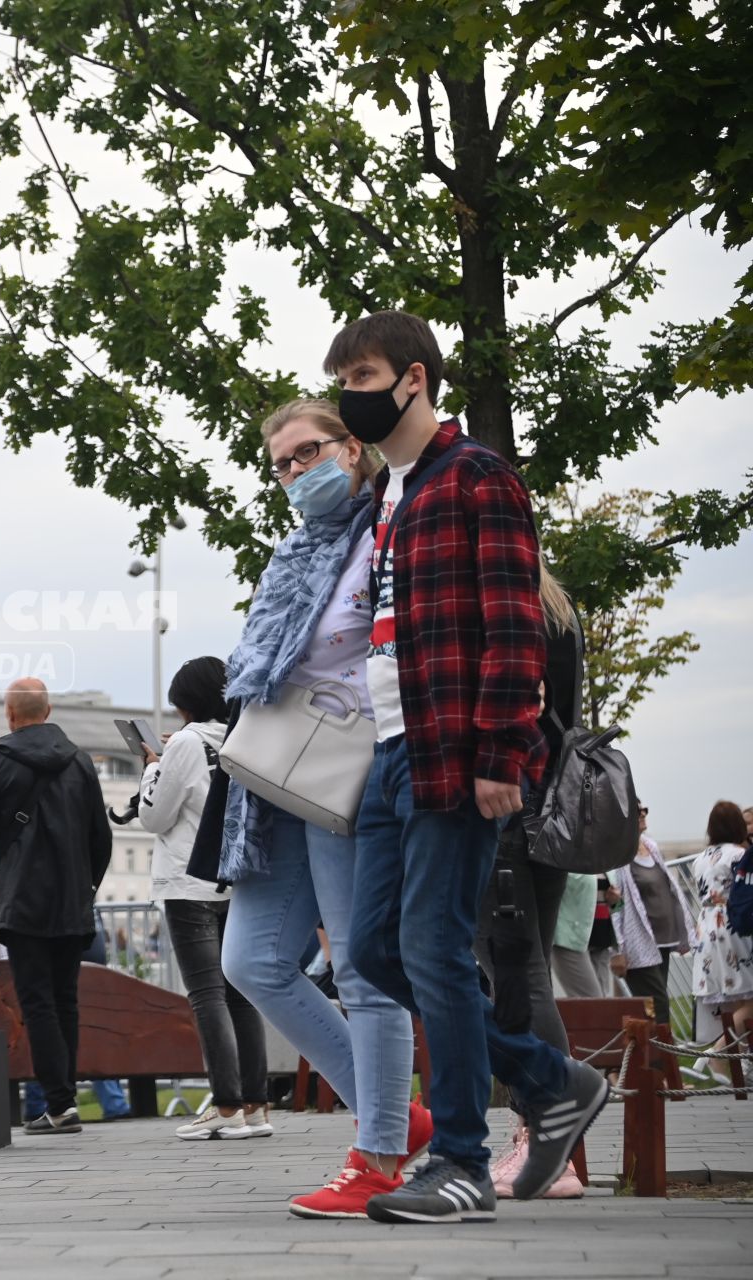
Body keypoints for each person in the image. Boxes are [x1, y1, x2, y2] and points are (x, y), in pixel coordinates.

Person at [329, 312, 609, 1224]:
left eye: (363, 375)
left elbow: (514, 626)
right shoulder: (391, 493)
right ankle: (545, 1077)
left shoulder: (478, 476)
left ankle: (457, 1158)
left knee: (434, 950)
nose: (350, 393)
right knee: (372, 950)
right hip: (388, 751)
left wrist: (502, 754)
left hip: (451, 748)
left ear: (413, 379)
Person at [216, 399, 432, 1216]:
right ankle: (398, 1118)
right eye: (283, 463)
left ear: (352, 447)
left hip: (358, 768)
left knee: (365, 969)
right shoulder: (297, 551)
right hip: (278, 778)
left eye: (310, 452)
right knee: (253, 961)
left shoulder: (393, 528)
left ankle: (376, 1155)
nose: (298, 471)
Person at [474, 563, 586, 1200]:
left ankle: (546, 1143)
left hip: (504, 806)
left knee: (513, 975)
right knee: (530, 970)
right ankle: (552, 1142)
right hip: (554, 809)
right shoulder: (559, 611)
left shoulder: (501, 608)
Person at [0, 677, 113, 1136]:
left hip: (23, 899)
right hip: (71, 900)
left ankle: (60, 1104)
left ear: (10, 715)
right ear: (46, 712)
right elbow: (100, 837)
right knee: (65, 999)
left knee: (38, 1001)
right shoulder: (81, 761)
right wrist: (87, 886)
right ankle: (64, 1101)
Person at [138, 657, 270, 1141]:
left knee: (206, 994)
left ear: (184, 702)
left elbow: (154, 817)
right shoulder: (240, 735)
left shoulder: (186, 743)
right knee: (240, 993)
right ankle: (255, 1105)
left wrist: (152, 769)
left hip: (186, 882)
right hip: (234, 878)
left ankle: (227, 1105)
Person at [609, 805, 695, 1029]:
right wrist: (618, 950)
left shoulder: (651, 847)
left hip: (664, 940)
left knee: (651, 1006)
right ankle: (662, 1059)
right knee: (658, 1005)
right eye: (637, 810)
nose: (643, 814)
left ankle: (652, 1057)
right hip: (639, 944)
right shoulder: (618, 855)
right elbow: (616, 903)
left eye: (644, 809)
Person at [688, 801, 752, 1062]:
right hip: (733, 924)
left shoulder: (699, 860)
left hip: (707, 926)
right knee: (748, 998)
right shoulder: (739, 855)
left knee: (738, 998)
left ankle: (735, 1066)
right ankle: (714, 1055)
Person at [551, 873, 607, 998]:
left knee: (603, 1000)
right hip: (571, 937)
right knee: (592, 1000)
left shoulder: (611, 864)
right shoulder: (571, 859)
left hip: (602, 940)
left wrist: (616, 901)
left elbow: (618, 906)